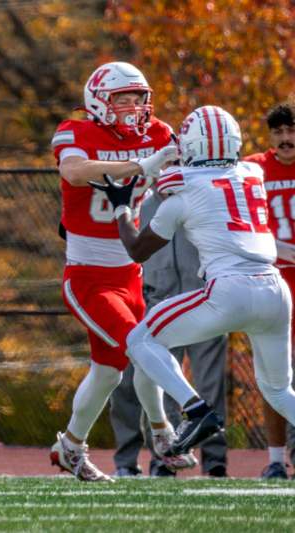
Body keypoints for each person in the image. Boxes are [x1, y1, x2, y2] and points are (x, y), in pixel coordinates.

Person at [99, 105, 295, 458]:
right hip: (275, 291)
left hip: (230, 290)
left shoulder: (182, 193)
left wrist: (121, 207)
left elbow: (137, 250)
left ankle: (195, 410)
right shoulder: (251, 173)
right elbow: (224, 175)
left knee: (139, 338)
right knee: (279, 391)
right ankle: (193, 414)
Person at [49, 61, 190, 481]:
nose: (132, 107)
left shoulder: (159, 134)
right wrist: (139, 167)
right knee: (141, 345)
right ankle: (163, 435)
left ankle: (70, 447)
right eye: (121, 99)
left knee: (109, 370)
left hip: (130, 272)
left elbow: (181, 174)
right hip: (88, 275)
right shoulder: (76, 131)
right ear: (98, 102)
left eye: (138, 98)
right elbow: (73, 171)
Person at [109, 192, 229, 478]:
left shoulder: (203, 198)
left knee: (209, 384)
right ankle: (165, 457)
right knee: (159, 384)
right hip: (158, 304)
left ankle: (214, 461)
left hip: (203, 304)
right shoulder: (142, 205)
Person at [244, 102, 295, 479]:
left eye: (291, 131)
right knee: (273, 375)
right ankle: (276, 459)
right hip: (271, 282)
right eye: (278, 132)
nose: (285, 139)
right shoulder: (253, 167)